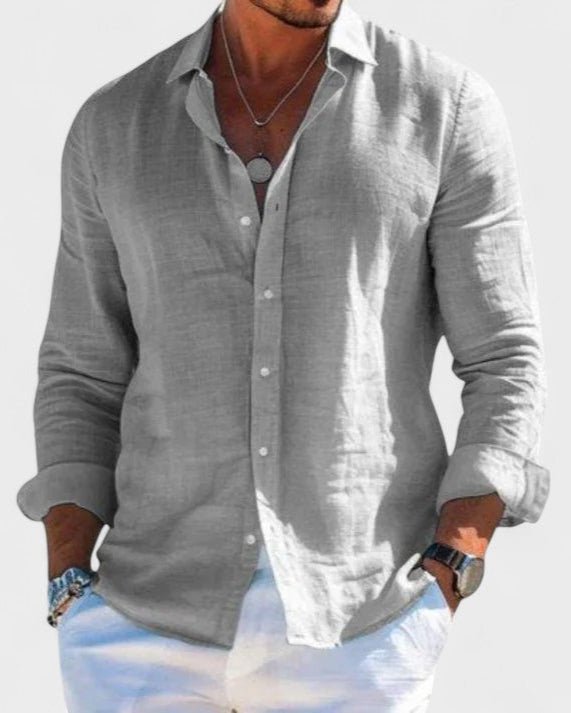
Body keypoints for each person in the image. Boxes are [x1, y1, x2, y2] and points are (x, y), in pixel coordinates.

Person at [16, 0, 550, 711]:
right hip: (138, 625)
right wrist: (68, 578)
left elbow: (504, 355)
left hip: (361, 626)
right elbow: (81, 370)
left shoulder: (441, 106)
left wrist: (455, 562)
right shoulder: (114, 125)